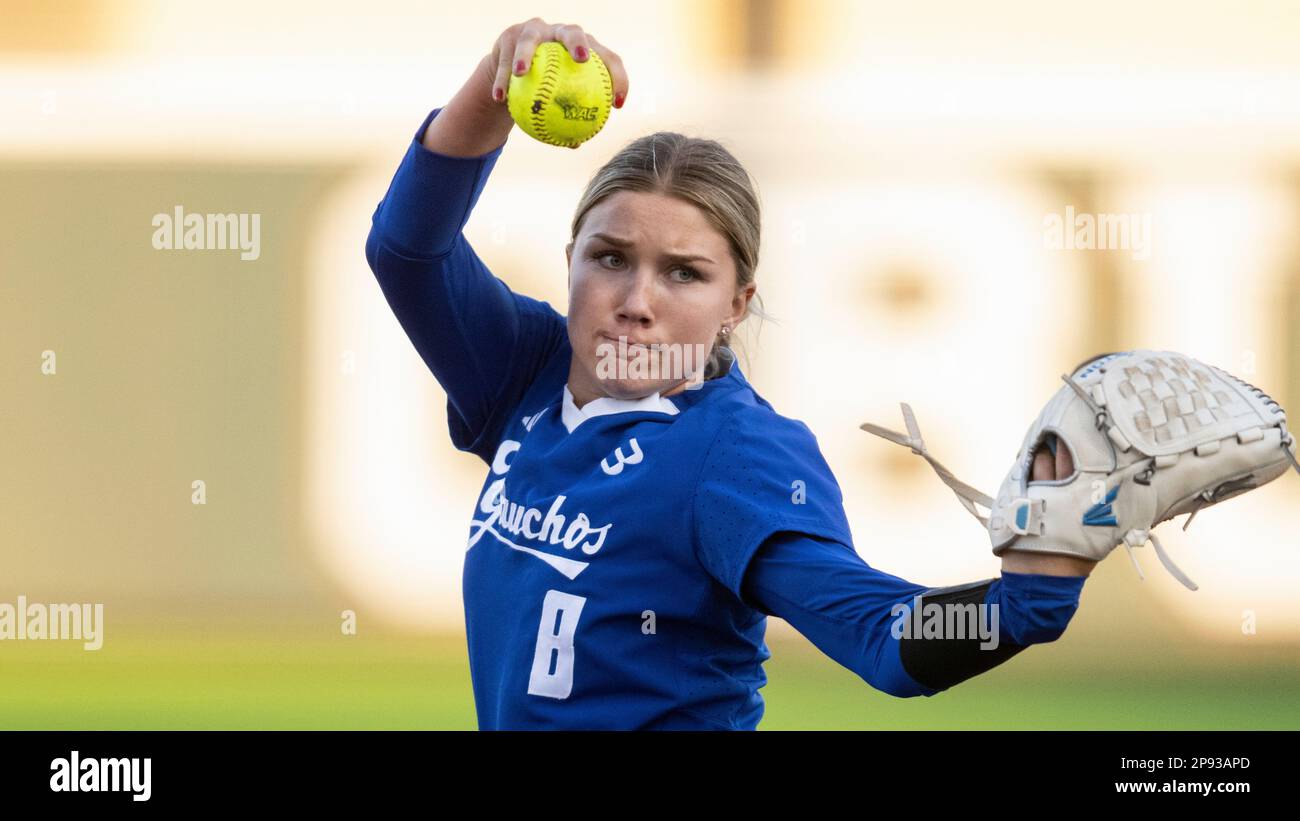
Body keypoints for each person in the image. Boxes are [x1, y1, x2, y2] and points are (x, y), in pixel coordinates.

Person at [365, 17, 1093, 730]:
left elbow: (883, 636)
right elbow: (405, 251)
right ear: (570, 260)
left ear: (735, 305)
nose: (635, 302)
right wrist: (498, 86)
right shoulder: (525, 369)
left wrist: (1024, 604)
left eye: (684, 273)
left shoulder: (734, 455)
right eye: (610, 257)